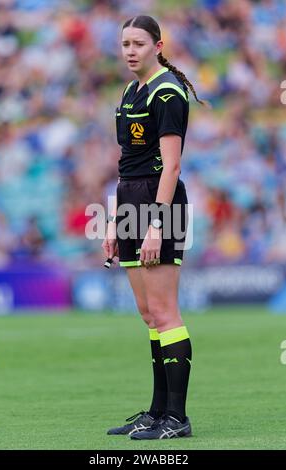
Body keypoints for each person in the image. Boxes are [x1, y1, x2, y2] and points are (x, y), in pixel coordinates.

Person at [102, 15, 207, 440]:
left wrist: (156, 225)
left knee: (165, 312)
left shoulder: (168, 91)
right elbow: (128, 163)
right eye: (125, 43)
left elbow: (172, 164)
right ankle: (156, 410)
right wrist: (114, 219)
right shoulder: (131, 90)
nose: (130, 51)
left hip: (159, 204)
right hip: (130, 198)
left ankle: (177, 418)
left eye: (138, 43)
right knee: (149, 314)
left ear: (158, 46)